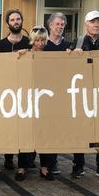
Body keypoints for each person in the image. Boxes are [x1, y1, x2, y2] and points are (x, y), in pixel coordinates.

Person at [72, 11, 99, 180]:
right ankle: (78, 165)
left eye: (98, 21)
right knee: (80, 129)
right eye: (92, 21)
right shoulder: (79, 41)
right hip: (83, 93)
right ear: (86, 24)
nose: (96, 24)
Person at [38, 13, 74, 179]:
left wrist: (76, 54)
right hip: (44, 94)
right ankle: (45, 165)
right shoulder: (43, 45)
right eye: (57, 24)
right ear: (50, 25)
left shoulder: (68, 46)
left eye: (62, 25)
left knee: (55, 131)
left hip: (62, 94)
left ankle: (51, 164)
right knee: (45, 130)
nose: (60, 27)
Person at [0, 9, 30, 170]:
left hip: (25, 91)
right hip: (6, 92)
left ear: (21, 21)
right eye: (12, 20)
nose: (15, 22)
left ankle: (24, 161)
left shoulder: (29, 43)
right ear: (8, 23)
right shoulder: (0, 45)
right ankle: (8, 157)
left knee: (24, 128)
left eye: (18, 19)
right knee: (8, 126)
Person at [14, 26, 48, 181]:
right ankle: (22, 166)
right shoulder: (25, 54)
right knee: (26, 133)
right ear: (32, 41)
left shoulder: (49, 57)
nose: (39, 43)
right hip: (28, 99)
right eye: (37, 40)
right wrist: (19, 55)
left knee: (46, 134)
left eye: (42, 40)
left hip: (45, 99)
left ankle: (45, 167)